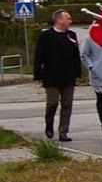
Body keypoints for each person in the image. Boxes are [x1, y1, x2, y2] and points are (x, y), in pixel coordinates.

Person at [32, 10, 80, 141]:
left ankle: (63, 131)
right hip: (51, 77)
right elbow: (38, 57)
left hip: (68, 76)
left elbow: (76, 56)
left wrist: (77, 74)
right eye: (68, 18)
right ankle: (49, 125)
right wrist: (38, 76)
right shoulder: (46, 36)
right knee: (52, 103)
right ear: (59, 20)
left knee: (67, 104)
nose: (70, 21)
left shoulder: (71, 35)